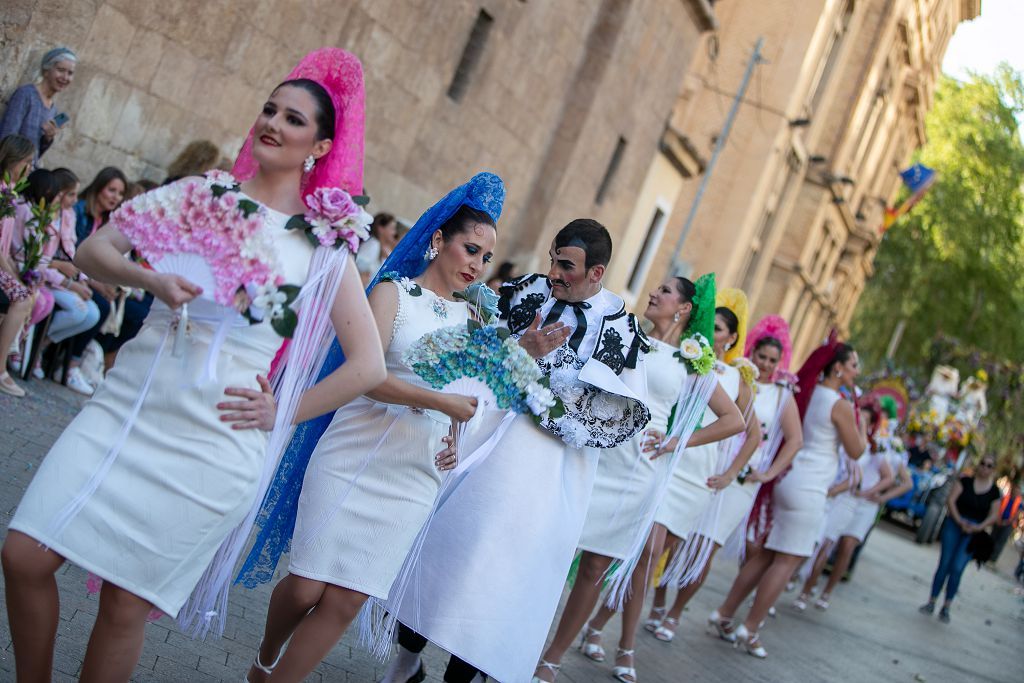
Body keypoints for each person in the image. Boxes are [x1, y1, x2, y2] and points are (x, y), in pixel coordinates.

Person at [1, 48, 386, 681]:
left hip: (213, 446)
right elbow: (97, 250)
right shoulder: (200, 195)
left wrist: (279, 411)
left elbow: (366, 366)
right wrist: (147, 280)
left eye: (293, 119)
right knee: (24, 556)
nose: (273, 123)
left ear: (319, 146)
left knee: (126, 604)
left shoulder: (323, 248)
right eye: (269, 109)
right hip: (123, 411)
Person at [243, 173, 503, 683]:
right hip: (352, 453)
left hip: (414, 475)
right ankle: (266, 655)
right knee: (304, 587)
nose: (476, 265)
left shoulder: (476, 324)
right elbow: (368, 377)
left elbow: (468, 398)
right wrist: (436, 399)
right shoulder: (392, 293)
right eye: (470, 249)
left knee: (345, 599)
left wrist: (453, 438)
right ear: (437, 241)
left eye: (486, 258)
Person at [382, 219, 652, 683]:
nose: (553, 272)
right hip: (490, 444)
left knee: (499, 582)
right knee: (446, 552)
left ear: (596, 272)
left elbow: (617, 416)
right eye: (552, 259)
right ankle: (406, 659)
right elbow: (479, 352)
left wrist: (562, 402)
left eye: (566, 265)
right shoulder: (523, 291)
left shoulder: (624, 333)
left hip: (552, 474)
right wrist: (519, 353)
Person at [536, 276, 744, 682]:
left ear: (683, 309)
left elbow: (733, 420)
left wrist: (676, 440)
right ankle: (519, 635)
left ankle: (551, 659)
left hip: (639, 472)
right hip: (594, 455)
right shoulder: (625, 332)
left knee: (596, 566)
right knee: (553, 550)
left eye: (665, 291)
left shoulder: (693, 360)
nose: (654, 293)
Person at [644, 315, 803, 643]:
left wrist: (764, 473)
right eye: (762, 356)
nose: (767, 364)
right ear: (751, 351)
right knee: (671, 541)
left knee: (704, 548)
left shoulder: (782, 396)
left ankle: (675, 613)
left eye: (774, 360)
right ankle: (658, 602)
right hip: (701, 463)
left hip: (735, 481)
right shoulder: (732, 374)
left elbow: (779, 438)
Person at [714, 336, 867, 657]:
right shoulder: (838, 404)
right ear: (837, 368)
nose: (857, 371)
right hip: (810, 488)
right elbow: (856, 450)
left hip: (789, 480)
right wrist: (862, 425)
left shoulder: (808, 395)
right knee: (789, 560)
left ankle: (725, 612)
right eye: (853, 365)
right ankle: (751, 627)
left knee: (769, 555)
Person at [919, 456, 1002, 623]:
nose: (985, 468)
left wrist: (979, 527)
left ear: (993, 469)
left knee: (957, 567)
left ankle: (947, 606)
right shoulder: (964, 482)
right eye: (983, 464)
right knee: (945, 564)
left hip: (975, 531)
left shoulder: (994, 492)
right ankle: (932, 601)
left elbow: (994, 516)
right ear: (978, 465)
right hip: (955, 524)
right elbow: (951, 500)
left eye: (989, 466)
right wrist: (959, 520)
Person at [66, 166, 128, 383]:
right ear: (99, 188)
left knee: (120, 306)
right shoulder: (81, 211)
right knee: (101, 305)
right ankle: (70, 364)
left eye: (120, 193)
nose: (116, 197)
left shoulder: (106, 221)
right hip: (71, 272)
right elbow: (73, 254)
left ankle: (86, 361)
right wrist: (96, 283)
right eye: (112, 190)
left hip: (88, 277)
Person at [0, 137, 40, 396]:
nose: (31, 168)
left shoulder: (9, 193)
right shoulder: (3, 193)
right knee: (23, 298)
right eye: (28, 162)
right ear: (13, 161)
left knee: (28, 294)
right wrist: (12, 273)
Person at [0, 47, 77, 162]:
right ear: (46, 70)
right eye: (61, 70)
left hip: (28, 171)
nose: (65, 77)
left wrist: (48, 138)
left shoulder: (54, 110)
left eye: (70, 73)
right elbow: (7, 137)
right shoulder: (26, 94)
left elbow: (37, 154)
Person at [355, 211, 399, 284]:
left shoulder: (385, 248)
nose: (394, 233)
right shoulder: (373, 244)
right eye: (392, 228)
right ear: (380, 228)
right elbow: (362, 267)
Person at [990, 480, 1022, 564]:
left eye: (1017, 491)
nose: (1016, 492)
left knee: (1000, 541)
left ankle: (993, 559)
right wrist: (998, 519)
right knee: (992, 537)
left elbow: (1015, 516)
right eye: (1015, 490)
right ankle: (986, 553)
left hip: (1009, 524)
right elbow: (999, 507)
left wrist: (1006, 522)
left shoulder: (1019, 503)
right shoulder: (1005, 497)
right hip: (999, 520)